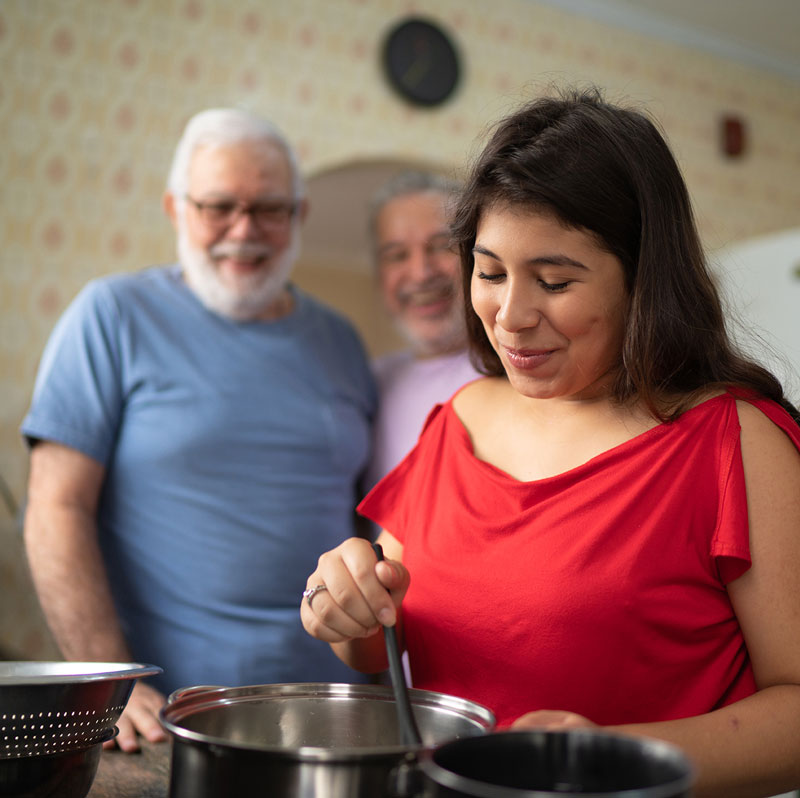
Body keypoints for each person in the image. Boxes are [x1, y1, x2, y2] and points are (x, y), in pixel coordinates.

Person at [301, 87, 800, 797]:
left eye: (555, 281)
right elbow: (380, 637)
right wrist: (343, 605)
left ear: (642, 280)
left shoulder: (735, 445)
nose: (511, 316)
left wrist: (614, 759)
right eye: (490, 271)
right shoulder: (459, 420)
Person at [21, 107, 377, 752]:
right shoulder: (112, 315)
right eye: (219, 206)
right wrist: (108, 681)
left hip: (336, 713)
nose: (245, 230)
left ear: (299, 216)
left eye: (270, 208)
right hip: (170, 722)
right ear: (175, 208)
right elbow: (54, 506)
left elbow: (366, 516)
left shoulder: (342, 341)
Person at [364, 171, 480, 490]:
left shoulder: (516, 370)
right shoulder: (370, 383)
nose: (421, 272)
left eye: (442, 246)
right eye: (397, 255)